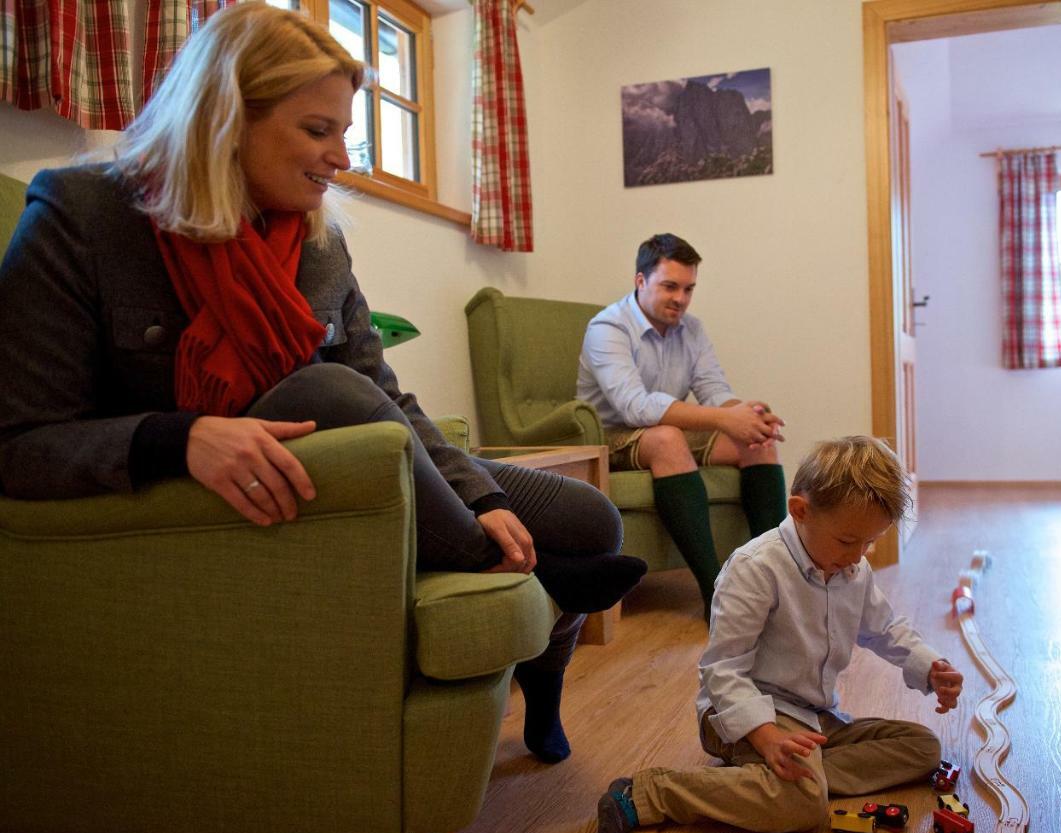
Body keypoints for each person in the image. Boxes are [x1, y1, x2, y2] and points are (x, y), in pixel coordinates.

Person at [0, 1, 644, 765]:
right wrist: (181, 438)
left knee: (590, 518)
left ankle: (541, 676)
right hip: (184, 506)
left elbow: (388, 394)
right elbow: (18, 443)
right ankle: (500, 566)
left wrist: (484, 497)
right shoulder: (82, 217)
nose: (342, 157)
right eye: (318, 131)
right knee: (323, 394)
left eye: (346, 132)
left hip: (319, 490)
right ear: (226, 118)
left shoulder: (319, 243)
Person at [593, 436, 965, 833]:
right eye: (848, 541)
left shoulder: (850, 569)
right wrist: (766, 734)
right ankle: (648, 793)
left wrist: (929, 665)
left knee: (923, 748)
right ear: (800, 511)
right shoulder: (756, 568)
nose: (860, 556)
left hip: (815, 715)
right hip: (748, 714)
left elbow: (884, 628)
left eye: (869, 542)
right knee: (803, 808)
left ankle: (797, 778)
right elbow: (723, 669)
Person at [576, 234, 787, 614]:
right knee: (667, 439)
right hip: (609, 436)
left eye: (689, 288)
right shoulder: (607, 328)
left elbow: (713, 388)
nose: (681, 298)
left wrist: (745, 415)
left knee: (758, 440)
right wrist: (725, 418)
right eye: (670, 286)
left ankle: (774, 580)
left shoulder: (692, 329)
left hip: (663, 427)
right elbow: (635, 407)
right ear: (641, 281)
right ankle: (715, 593)